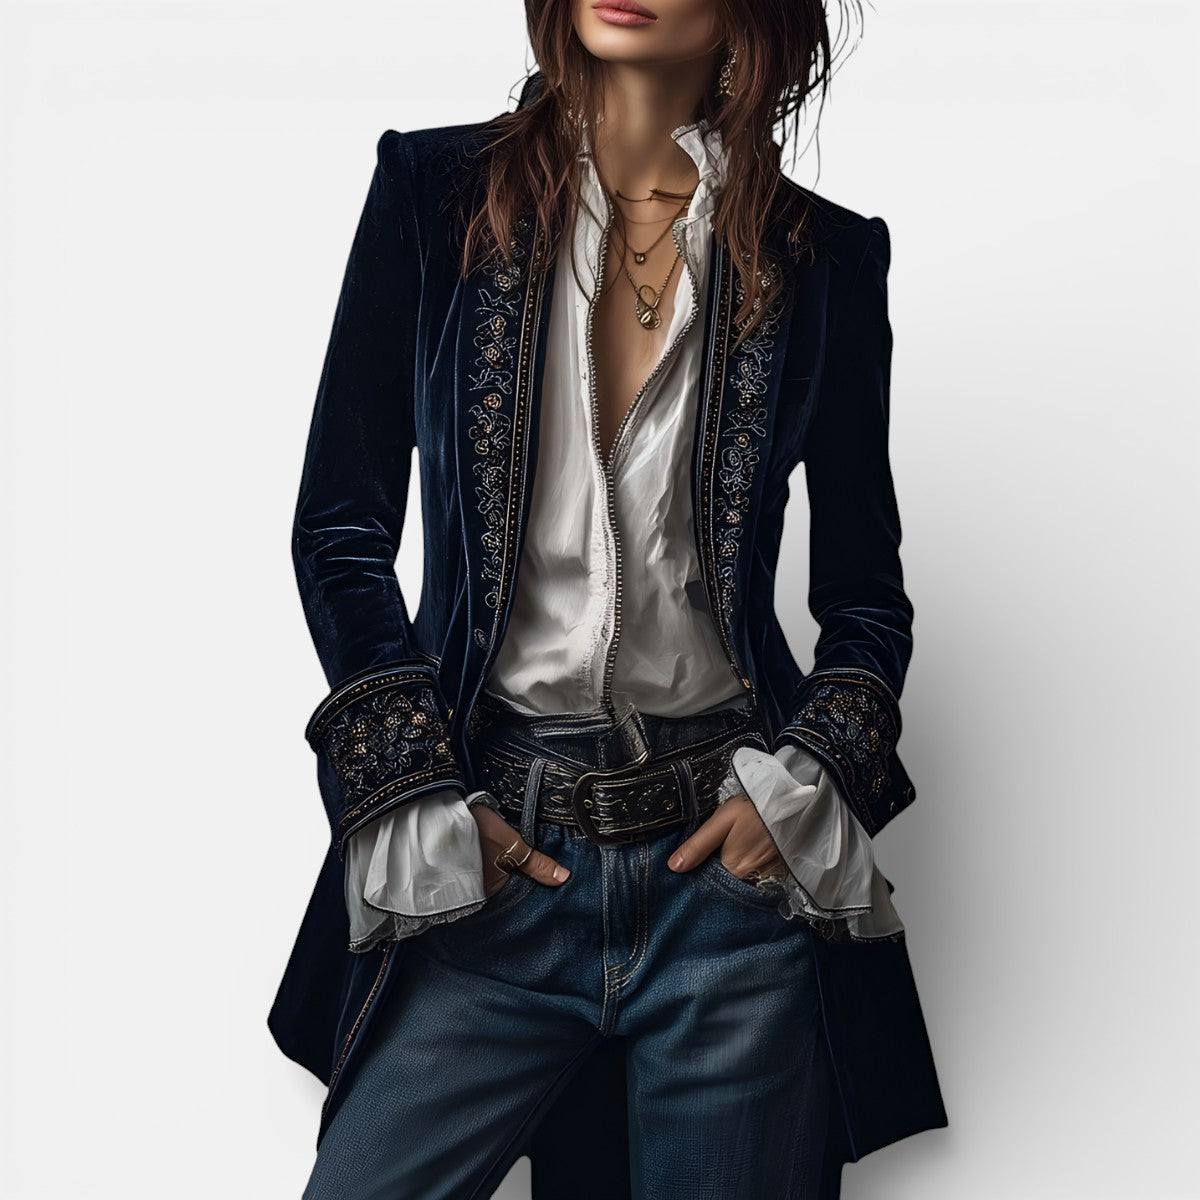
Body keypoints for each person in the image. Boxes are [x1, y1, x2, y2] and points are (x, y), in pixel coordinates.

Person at [269, 2, 948, 1196]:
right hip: (494, 857)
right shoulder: (437, 194)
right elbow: (339, 527)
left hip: (725, 890)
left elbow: (864, 599)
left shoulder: (823, 259)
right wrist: (417, 786)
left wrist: (804, 788)